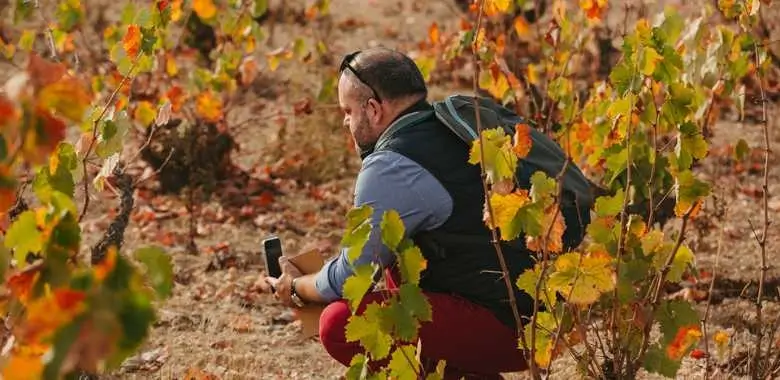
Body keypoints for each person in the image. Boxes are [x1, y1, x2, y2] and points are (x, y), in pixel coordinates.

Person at [265, 47, 587, 379]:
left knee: (337, 324)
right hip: (546, 313)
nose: (346, 121)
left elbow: (352, 276)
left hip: (508, 328)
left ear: (373, 109)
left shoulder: (392, 164)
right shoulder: (453, 127)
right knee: (399, 267)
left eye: (348, 111)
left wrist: (298, 287)